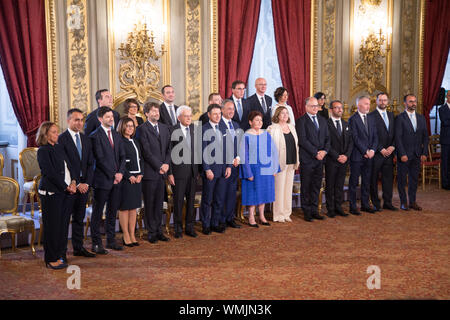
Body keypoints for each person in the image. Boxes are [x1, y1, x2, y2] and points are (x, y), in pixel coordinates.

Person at [36, 121, 76, 269]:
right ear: (45, 134)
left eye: (56, 131)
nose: (56, 134)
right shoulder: (43, 151)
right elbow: (50, 173)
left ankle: (59, 256)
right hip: (51, 193)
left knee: (61, 227)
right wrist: (66, 187)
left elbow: (69, 167)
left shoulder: (59, 148)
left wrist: (73, 182)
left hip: (65, 192)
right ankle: (50, 259)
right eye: (53, 132)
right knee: (52, 227)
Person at [58, 108, 96, 262]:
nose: (80, 123)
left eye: (81, 120)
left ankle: (78, 248)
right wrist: (77, 182)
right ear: (68, 121)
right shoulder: (62, 139)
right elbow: (65, 164)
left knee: (79, 218)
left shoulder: (86, 138)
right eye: (76, 120)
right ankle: (61, 252)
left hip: (84, 186)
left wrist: (86, 182)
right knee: (65, 219)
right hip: (70, 187)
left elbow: (90, 163)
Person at [89, 106, 126, 253]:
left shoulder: (117, 135)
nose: (111, 119)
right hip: (102, 180)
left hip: (117, 180)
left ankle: (111, 240)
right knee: (98, 213)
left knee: (112, 212)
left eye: (112, 116)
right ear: (100, 119)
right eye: (108, 117)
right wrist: (114, 174)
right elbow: (100, 159)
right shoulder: (94, 136)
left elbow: (123, 157)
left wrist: (121, 173)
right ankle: (96, 243)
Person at [135, 102, 171, 243]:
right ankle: (151, 232)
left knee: (159, 203)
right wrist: (159, 166)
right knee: (150, 204)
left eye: (157, 111)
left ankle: (159, 231)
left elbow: (169, 148)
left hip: (163, 173)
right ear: (146, 114)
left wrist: (166, 164)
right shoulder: (142, 129)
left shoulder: (164, 128)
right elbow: (146, 152)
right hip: (150, 173)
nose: (156, 113)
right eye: (153, 111)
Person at [240, 111, 279, 227]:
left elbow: (273, 152)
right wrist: (248, 172)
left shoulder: (266, 134)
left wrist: (274, 168)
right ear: (250, 122)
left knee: (263, 192)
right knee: (252, 192)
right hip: (252, 169)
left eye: (261, 120)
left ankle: (262, 216)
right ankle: (251, 216)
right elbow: (244, 155)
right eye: (256, 120)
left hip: (265, 168)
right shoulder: (246, 135)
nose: (259, 122)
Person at [295, 97, 330, 222]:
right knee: (306, 186)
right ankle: (307, 211)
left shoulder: (323, 120)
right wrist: (316, 153)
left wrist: (324, 152)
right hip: (308, 159)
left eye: (317, 106)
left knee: (316, 186)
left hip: (320, 159)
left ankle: (315, 210)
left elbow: (327, 139)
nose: (315, 108)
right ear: (306, 107)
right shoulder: (301, 121)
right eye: (312, 106)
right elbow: (303, 140)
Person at [168, 106, 200, 238]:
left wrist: (198, 170)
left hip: (193, 172)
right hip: (178, 173)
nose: (189, 118)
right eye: (186, 116)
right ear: (179, 117)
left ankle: (190, 227)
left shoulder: (195, 129)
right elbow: (168, 153)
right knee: (178, 202)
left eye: (190, 116)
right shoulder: (172, 130)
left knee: (191, 201)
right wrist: (169, 173)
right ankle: (178, 229)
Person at [200, 104, 231, 234]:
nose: (218, 116)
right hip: (210, 171)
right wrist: (207, 169)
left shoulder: (224, 128)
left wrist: (229, 166)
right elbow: (202, 152)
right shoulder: (203, 130)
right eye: (215, 114)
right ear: (209, 115)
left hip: (223, 170)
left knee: (219, 199)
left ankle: (215, 222)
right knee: (207, 199)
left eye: (219, 113)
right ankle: (205, 225)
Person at [395, 94, 429, 211]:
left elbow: (425, 137)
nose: (413, 104)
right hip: (404, 155)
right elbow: (398, 138)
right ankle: (403, 202)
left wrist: (424, 153)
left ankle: (412, 202)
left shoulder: (421, 118)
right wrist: (402, 154)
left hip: (417, 154)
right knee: (402, 180)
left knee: (414, 180)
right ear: (405, 103)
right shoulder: (400, 118)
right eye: (410, 102)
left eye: (414, 101)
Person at [267, 106, 299, 222]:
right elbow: (268, 149)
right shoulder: (272, 128)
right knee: (279, 190)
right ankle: (278, 215)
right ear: (277, 115)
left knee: (288, 189)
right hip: (279, 163)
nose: (285, 115)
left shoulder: (292, 127)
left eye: (286, 113)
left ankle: (286, 213)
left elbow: (296, 145)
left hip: (291, 161)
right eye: (282, 113)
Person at [348, 95, 378, 215]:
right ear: (359, 105)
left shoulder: (371, 118)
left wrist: (373, 150)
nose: (368, 106)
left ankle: (365, 204)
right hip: (357, 156)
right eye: (366, 104)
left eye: (369, 104)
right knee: (354, 182)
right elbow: (355, 138)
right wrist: (365, 151)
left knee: (366, 181)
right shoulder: (353, 119)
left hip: (370, 155)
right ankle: (353, 206)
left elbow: (375, 136)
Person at [368, 92, 398, 211]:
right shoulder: (371, 116)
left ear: (388, 101)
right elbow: (371, 135)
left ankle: (388, 202)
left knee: (388, 179)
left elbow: (396, 134)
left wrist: (393, 146)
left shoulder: (392, 115)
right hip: (376, 153)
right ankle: (375, 203)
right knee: (373, 179)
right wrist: (380, 148)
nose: (383, 102)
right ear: (376, 101)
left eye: (385, 100)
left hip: (389, 153)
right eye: (380, 100)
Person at [117, 117, 143, 247]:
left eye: (132, 126)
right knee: (124, 208)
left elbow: (141, 159)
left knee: (134, 208)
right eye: (127, 126)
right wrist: (128, 176)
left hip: (137, 178)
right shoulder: (119, 141)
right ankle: (125, 234)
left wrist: (141, 174)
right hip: (126, 179)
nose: (130, 128)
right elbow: (119, 162)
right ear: (122, 127)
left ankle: (132, 234)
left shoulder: (136, 141)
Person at [325, 100, 353, 217]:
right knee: (330, 185)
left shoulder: (346, 124)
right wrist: (337, 156)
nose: (340, 110)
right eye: (337, 108)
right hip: (332, 160)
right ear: (331, 110)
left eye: (341, 108)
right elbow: (326, 143)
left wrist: (346, 155)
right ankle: (330, 209)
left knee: (340, 185)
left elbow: (351, 142)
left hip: (344, 160)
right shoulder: (326, 124)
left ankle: (338, 207)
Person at [219, 99, 242, 229]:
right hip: (223, 165)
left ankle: (230, 218)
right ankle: (221, 220)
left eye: (233, 109)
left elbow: (239, 144)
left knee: (232, 193)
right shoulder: (218, 124)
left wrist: (237, 157)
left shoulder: (236, 125)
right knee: (222, 193)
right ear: (222, 110)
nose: (231, 111)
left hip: (235, 165)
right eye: (228, 109)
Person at [438, 90, 450, 190]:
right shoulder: (442, 109)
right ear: (447, 97)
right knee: (445, 162)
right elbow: (445, 122)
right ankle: (445, 184)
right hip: (446, 140)